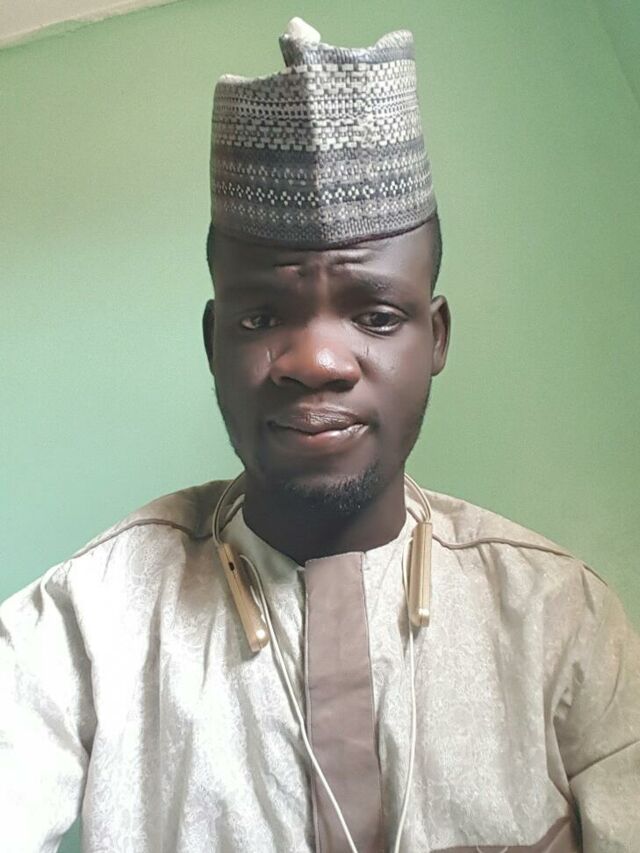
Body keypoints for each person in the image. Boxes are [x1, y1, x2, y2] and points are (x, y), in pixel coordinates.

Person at [1, 17, 638, 853]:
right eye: (262, 317)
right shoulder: (89, 622)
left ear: (436, 337)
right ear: (212, 342)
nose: (316, 361)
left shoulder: (563, 621)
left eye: (376, 315)